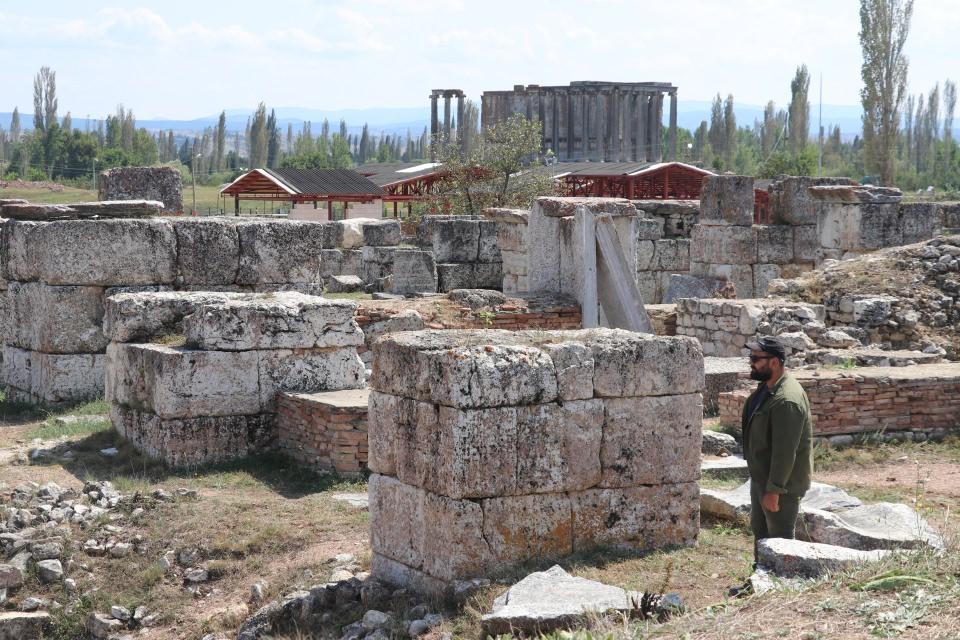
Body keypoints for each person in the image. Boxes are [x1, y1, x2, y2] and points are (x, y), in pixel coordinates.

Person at [729, 336, 813, 597]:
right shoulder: (768, 389)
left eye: (756, 359)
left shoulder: (787, 400)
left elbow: (785, 451)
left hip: (780, 485)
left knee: (779, 539)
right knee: (761, 530)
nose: (751, 364)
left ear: (774, 362)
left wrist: (775, 489)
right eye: (751, 358)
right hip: (762, 479)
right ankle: (758, 583)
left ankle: (782, 592)